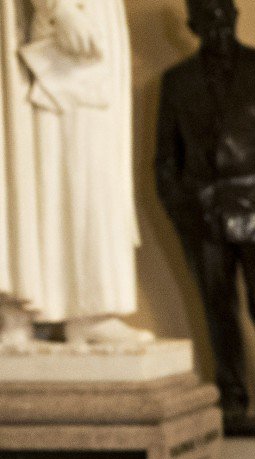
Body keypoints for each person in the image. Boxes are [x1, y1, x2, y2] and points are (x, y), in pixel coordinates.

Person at [155, 0, 255, 426]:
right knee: (218, 309)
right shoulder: (178, 82)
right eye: (209, 19)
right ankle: (231, 401)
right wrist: (185, 211)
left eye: (224, 15)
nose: (219, 26)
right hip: (203, 215)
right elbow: (166, 162)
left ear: (235, 16)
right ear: (193, 25)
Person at [1, 0, 149, 345]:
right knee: (58, 157)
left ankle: (87, 307)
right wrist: (60, 8)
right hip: (60, 28)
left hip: (86, 20)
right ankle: (25, 308)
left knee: (87, 163)